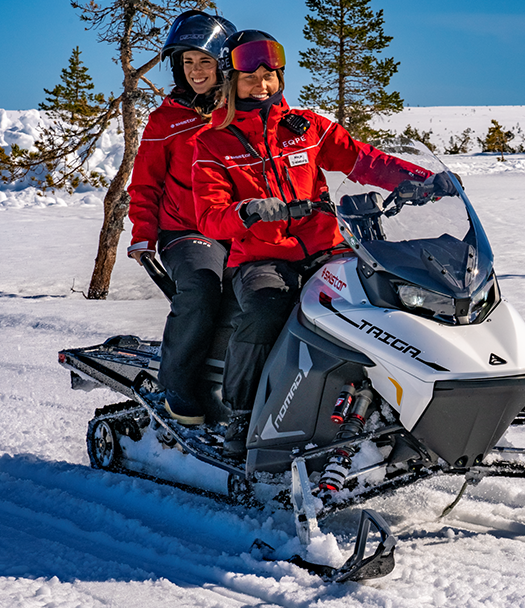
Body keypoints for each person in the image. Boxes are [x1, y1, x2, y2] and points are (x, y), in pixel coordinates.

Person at [192, 30, 448, 456]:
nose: (262, 84)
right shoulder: (212, 143)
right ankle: (241, 415)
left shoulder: (306, 128)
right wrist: (249, 210)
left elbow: (365, 160)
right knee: (266, 307)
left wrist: (423, 180)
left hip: (330, 247)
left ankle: (400, 402)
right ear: (230, 81)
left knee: (386, 300)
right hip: (262, 257)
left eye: (269, 75)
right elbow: (209, 216)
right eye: (250, 77)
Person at [127, 10, 237, 425]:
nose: (195, 72)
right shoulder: (165, 121)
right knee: (202, 287)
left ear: (223, 65)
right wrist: (143, 233)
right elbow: (146, 184)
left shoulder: (238, 113)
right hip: (188, 231)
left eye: (205, 62)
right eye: (187, 62)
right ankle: (177, 386)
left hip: (241, 229)